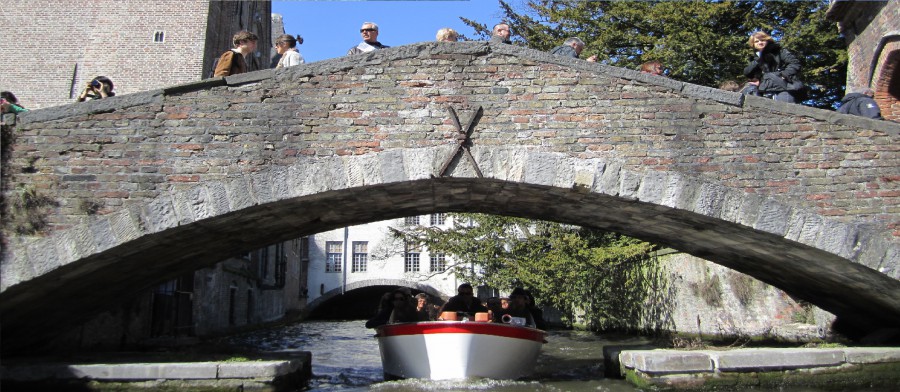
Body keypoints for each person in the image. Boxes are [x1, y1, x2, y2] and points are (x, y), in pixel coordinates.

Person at [742, 31, 801, 103]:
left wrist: (784, 75)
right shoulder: (755, 59)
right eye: (756, 41)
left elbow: (795, 63)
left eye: (762, 40)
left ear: (767, 40)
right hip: (765, 89)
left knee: (785, 109)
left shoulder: (779, 51)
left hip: (784, 87)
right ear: (753, 45)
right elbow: (747, 72)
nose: (760, 42)